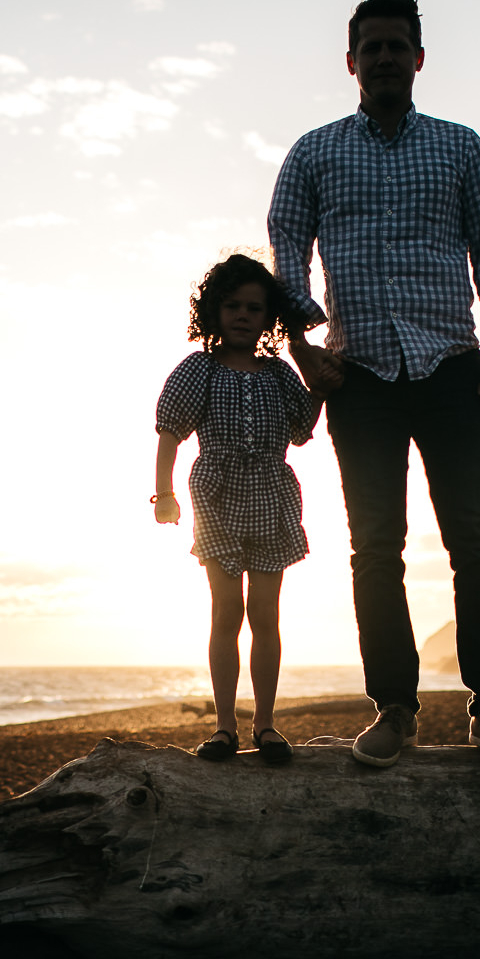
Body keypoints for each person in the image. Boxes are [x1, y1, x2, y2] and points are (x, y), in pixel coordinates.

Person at [267, 0, 480, 769]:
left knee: (475, 543)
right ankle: (395, 709)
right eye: (370, 48)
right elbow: (286, 241)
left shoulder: (460, 146)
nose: (384, 59)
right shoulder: (315, 151)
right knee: (375, 548)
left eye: (396, 46)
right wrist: (302, 344)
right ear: (351, 63)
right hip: (361, 376)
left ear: (418, 58)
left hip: (452, 366)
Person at [153, 254, 320, 764]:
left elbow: (302, 428)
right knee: (227, 611)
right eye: (233, 306)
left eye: (254, 307)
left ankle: (264, 724)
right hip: (217, 495)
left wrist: (324, 383)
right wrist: (164, 492)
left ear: (269, 318)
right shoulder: (197, 368)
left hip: (272, 492)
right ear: (213, 311)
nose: (243, 315)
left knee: (265, 614)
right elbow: (169, 430)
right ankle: (224, 727)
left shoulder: (278, 373)